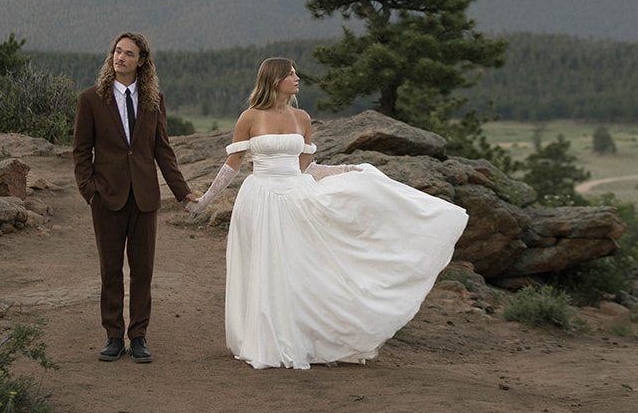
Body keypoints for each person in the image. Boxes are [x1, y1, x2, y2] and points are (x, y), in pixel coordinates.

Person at [186, 57, 468, 369]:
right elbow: (233, 164)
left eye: (295, 73)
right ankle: (264, 338)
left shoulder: (302, 118)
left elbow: (306, 168)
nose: (296, 78)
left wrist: (349, 169)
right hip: (260, 199)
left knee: (297, 268)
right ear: (273, 79)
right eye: (290, 74)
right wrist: (206, 200)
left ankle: (302, 337)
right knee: (264, 267)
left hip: (295, 196)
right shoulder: (249, 117)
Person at [73, 31, 197, 363]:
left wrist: (183, 193)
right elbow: (81, 153)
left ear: (141, 61)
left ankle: (138, 335)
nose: (120, 58)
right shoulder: (90, 100)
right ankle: (114, 336)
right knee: (110, 269)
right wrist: (90, 193)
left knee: (142, 271)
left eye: (128, 53)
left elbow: (163, 152)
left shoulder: (154, 100)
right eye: (117, 51)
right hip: (106, 198)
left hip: (144, 198)